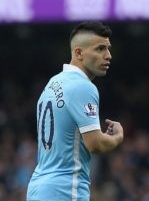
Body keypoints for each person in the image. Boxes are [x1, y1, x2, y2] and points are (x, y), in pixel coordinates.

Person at [27, 22, 124, 201]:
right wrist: (117, 137)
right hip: (64, 189)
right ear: (79, 53)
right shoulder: (84, 87)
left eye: (108, 48)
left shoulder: (52, 83)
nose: (108, 55)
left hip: (38, 188)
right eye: (100, 49)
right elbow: (96, 144)